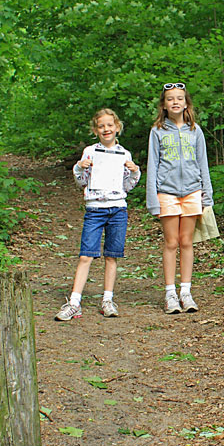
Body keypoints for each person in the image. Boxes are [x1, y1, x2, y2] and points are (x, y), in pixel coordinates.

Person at [55, 108, 140, 321]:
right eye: (101, 126)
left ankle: (107, 299)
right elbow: (81, 181)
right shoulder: (90, 151)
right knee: (86, 255)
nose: (106, 129)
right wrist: (79, 167)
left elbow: (128, 186)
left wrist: (135, 171)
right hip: (94, 210)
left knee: (112, 255)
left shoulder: (124, 154)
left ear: (117, 127)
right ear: (95, 130)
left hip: (118, 209)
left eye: (110, 125)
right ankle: (74, 302)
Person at [146, 82, 213, 314]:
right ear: (163, 105)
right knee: (171, 242)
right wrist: (152, 199)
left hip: (193, 192)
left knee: (186, 242)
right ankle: (170, 294)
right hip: (167, 192)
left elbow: (203, 163)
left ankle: (186, 292)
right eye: (170, 99)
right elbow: (153, 165)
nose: (175, 102)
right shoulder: (157, 131)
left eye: (180, 98)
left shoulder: (195, 130)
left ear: (187, 103)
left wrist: (207, 195)